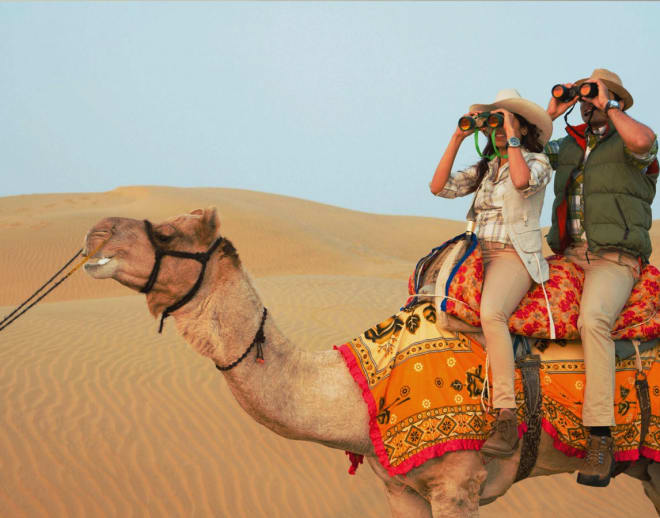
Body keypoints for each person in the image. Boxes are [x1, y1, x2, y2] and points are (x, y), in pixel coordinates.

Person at [545, 68, 658, 487]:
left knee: (592, 321)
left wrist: (608, 103)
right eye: (585, 96)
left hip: (615, 258)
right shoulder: (569, 145)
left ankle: (600, 435)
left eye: (595, 95)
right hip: (569, 255)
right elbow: (531, 155)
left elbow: (645, 142)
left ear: (617, 101)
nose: (588, 102)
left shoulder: (632, 145)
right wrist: (553, 111)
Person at [430, 89, 553, 457]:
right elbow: (438, 187)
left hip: (513, 255)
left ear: (523, 127)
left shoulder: (537, 161)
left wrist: (511, 135)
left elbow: (521, 182)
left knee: (491, 313)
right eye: (493, 122)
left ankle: (506, 413)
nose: (496, 129)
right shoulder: (486, 168)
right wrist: (458, 137)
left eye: (504, 120)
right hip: (475, 255)